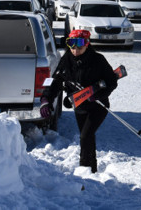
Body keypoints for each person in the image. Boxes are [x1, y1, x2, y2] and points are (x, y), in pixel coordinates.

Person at [41, 29, 118, 173]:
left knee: (85, 136)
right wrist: (46, 99)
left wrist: (98, 95)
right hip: (79, 105)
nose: (75, 48)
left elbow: (112, 82)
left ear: (87, 43)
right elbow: (56, 81)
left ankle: (84, 168)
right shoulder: (66, 60)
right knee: (87, 138)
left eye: (80, 44)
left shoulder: (98, 60)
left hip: (97, 106)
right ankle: (91, 169)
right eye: (71, 43)